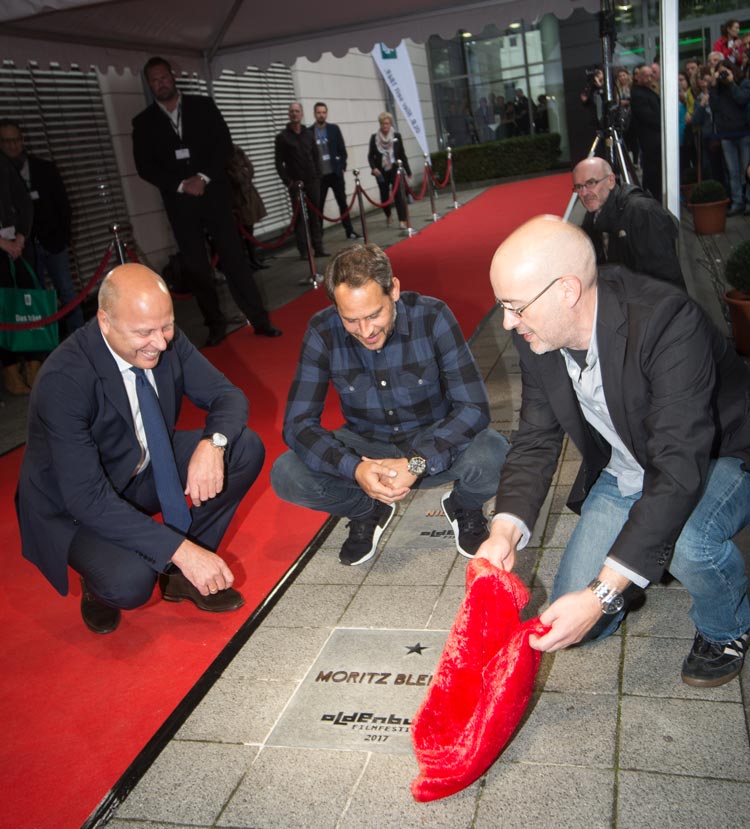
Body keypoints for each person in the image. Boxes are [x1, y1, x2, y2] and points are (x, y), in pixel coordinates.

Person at [480, 215, 750, 688]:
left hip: (719, 454)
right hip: (628, 464)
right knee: (578, 628)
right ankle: (641, 559)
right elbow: (536, 438)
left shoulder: (669, 321)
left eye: (515, 307)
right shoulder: (536, 331)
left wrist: (605, 590)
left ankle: (726, 627)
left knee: (688, 543)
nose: (506, 322)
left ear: (567, 290)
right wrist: (503, 530)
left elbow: (678, 469)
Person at [16, 263, 266, 634]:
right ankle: (99, 585)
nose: (161, 343)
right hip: (72, 505)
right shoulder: (64, 380)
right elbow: (87, 498)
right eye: (145, 332)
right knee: (130, 582)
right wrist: (182, 549)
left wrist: (213, 446)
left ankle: (180, 578)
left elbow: (226, 396)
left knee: (241, 448)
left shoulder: (165, 338)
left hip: (139, 467)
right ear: (105, 322)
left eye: (166, 326)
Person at [271, 243, 509, 566]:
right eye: (351, 320)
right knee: (286, 473)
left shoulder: (433, 317)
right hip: (365, 446)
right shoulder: (322, 331)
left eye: (374, 315)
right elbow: (297, 425)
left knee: (496, 453)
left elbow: (474, 409)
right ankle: (367, 508)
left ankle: (464, 505)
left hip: (432, 442)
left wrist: (416, 463)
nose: (366, 331)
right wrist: (355, 468)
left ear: (394, 290)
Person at [132, 56, 281, 347]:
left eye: (164, 77)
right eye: (154, 80)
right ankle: (214, 325)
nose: (161, 84)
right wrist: (181, 185)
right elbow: (145, 167)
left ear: (172, 77)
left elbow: (223, 145)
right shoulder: (143, 122)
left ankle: (260, 320)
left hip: (214, 195)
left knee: (234, 257)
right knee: (197, 266)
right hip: (180, 203)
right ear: (149, 85)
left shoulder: (204, 106)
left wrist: (202, 177)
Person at [0, 119, 83, 338]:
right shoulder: (4, 173)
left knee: (65, 289)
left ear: (23, 140)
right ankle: (45, 341)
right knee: (34, 296)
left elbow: (63, 206)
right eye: (6, 141)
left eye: (16, 140)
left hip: (52, 242)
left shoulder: (44, 168)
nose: (12, 145)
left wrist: (64, 237)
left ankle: (81, 335)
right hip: (23, 249)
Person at [573, 157, 684, 289]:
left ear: (611, 181)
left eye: (591, 183)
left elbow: (665, 281)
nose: (584, 193)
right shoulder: (593, 215)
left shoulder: (642, 212)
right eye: (579, 187)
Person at [0, 150, 41, 396]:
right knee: (4, 311)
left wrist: (21, 237)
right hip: (3, 247)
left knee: (29, 306)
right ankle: (11, 371)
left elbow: (24, 202)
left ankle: (35, 365)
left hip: (18, 244)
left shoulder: (4, 163)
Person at [274, 101, 328, 260]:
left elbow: (316, 156)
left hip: (312, 181)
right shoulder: (282, 138)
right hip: (295, 184)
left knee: (315, 216)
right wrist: (288, 182)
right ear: (289, 115)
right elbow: (278, 163)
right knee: (299, 219)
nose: (294, 114)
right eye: (291, 111)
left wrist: (318, 176)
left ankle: (318, 247)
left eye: (297, 111)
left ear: (302, 114)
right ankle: (304, 250)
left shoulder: (309, 134)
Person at [312, 102, 360, 241]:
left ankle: (349, 231)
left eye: (323, 112)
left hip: (335, 173)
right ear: (315, 114)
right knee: (318, 207)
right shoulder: (309, 132)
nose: (321, 115)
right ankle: (318, 238)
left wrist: (342, 166)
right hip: (320, 176)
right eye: (319, 112)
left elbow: (342, 151)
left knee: (342, 203)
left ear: (326, 113)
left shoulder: (334, 129)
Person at [708, 59, 750, 216]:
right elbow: (714, 107)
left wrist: (731, 83)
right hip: (726, 134)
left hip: (743, 133)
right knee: (732, 171)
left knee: (746, 170)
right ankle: (737, 202)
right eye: (720, 72)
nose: (723, 74)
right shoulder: (717, 88)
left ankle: (748, 201)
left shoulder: (743, 82)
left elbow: (742, 100)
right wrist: (713, 86)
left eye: (726, 70)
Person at [226, 144, 269, 270]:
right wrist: (241, 173)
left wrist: (242, 173)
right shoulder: (223, 158)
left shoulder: (237, 150)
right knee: (239, 235)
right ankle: (245, 263)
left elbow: (249, 169)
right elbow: (236, 178)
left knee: (249, 231)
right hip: (236, 200)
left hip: (247, 196)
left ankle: (253, 259)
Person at [367, 112, 412, 230]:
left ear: (390, 123)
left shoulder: (397, 136)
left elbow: (402, 154)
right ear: (380, 124)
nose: (385, 126)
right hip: (381, 171)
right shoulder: (374, 138)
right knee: (384, 195)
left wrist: (408, 170)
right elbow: (370, 156)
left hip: (395, 169)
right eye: (382, 124)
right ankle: (388, 215)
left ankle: (402, 220)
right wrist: (374, 168)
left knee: (398, 195)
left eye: (387, 123)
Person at [629, 63, 662, 198]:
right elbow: (647, 116)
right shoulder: (638, 93)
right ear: (639, 77)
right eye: (646, 76)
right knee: (652, 169)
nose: (649, 79)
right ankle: (652, 195)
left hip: (655, 136)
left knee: (656, 168)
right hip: (650, 138)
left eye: (651, 75)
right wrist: (662, 124)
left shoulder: (651, 90)